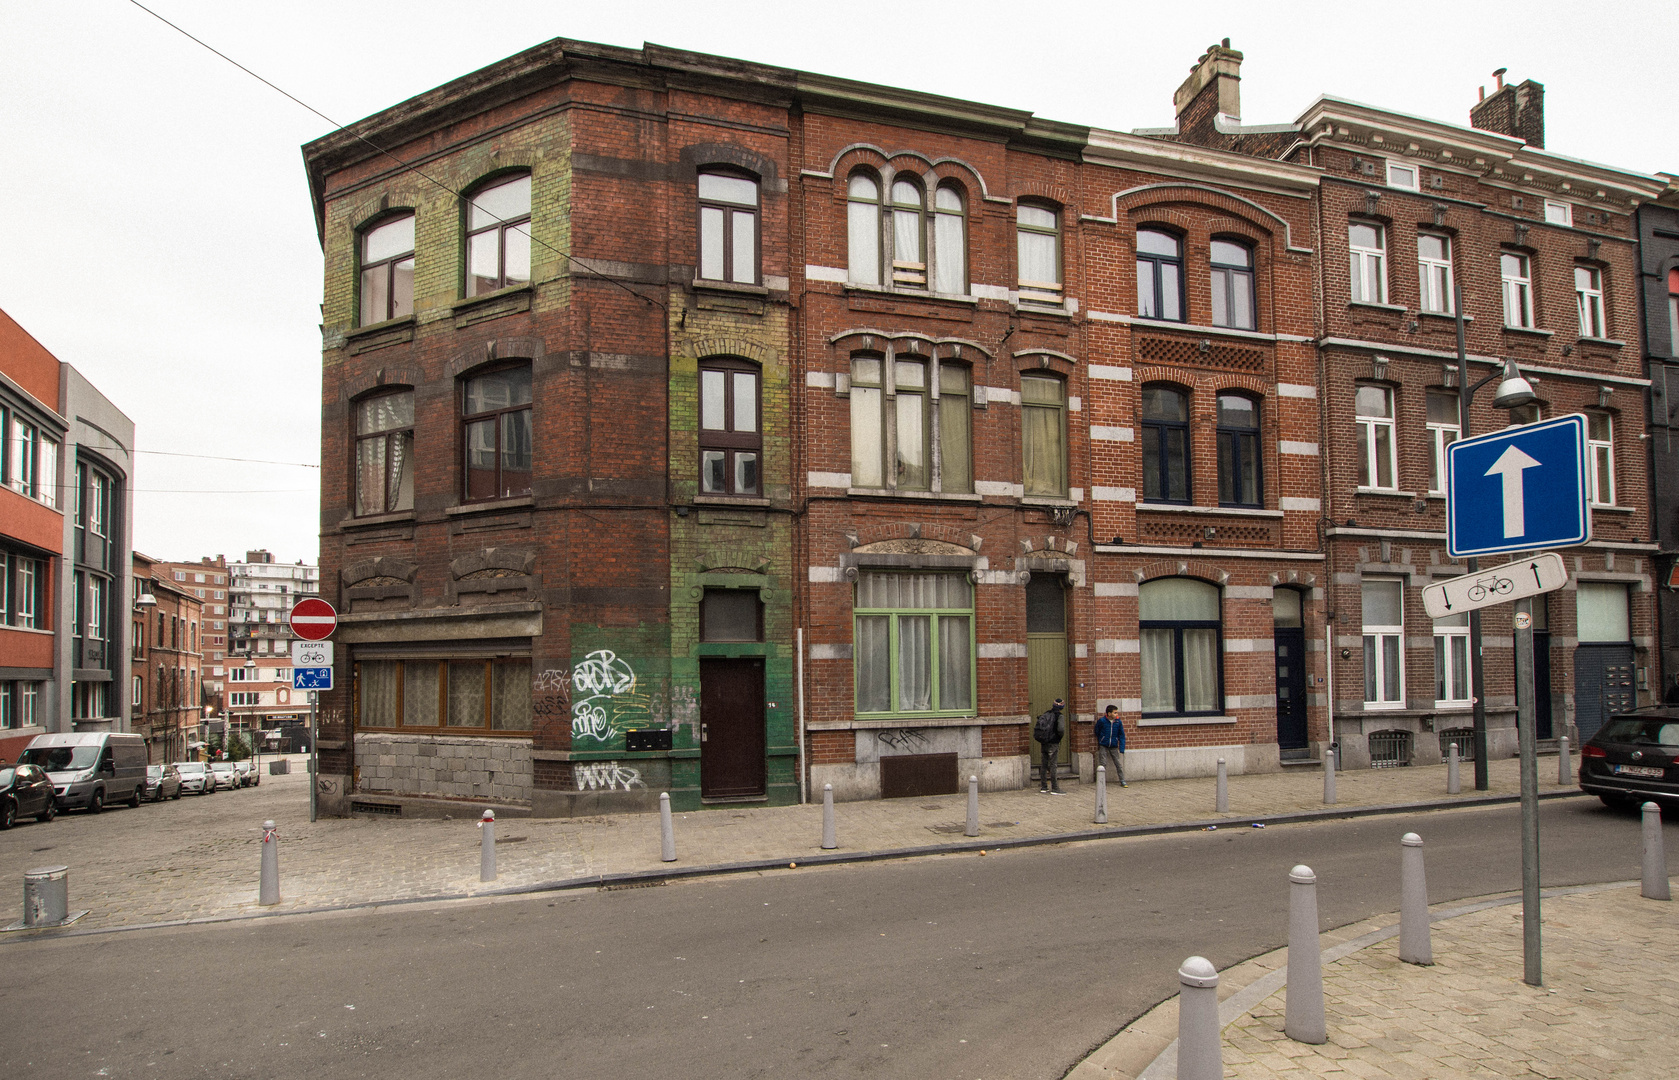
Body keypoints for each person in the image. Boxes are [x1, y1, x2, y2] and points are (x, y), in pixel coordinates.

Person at [1034, 698, 1067, 794]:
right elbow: (1061, 730)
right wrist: (1059, 737)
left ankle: (1044, 786)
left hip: (1044, 741)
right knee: (1053, 764)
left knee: (1044, 764)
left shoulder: (1046, 714)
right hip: (1053, 742)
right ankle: (1055, 788)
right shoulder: (1059, 716)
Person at [1095, 704, 1127, 787]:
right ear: (1109, 714)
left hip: (1113, 745)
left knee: (1118, 764)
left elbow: (1121, 735)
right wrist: (1101, 739)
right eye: (1115, 712)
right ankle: (1101, 781)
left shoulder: (1118, 722)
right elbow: (1097, 730)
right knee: (1103, 763)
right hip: (1104, 744)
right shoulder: (1102, 721)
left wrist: (1122, 748)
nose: (1116, 714)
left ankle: (1122, 780)